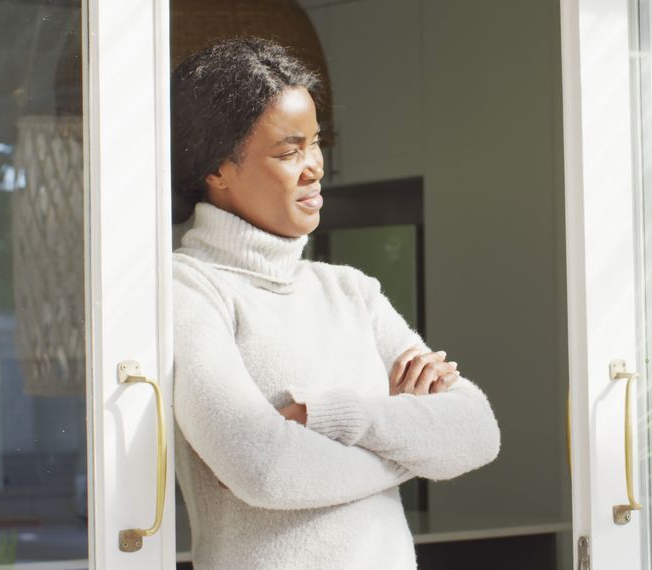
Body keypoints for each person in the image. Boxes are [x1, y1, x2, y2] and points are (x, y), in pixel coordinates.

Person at [169, 37, 501, 569]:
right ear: (215, 170)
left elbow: (478, 433)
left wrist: (331, 418)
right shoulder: (189, 288)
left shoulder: (351, 290)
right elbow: (262, 469)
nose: (314, 167)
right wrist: (409, 445)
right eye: (288, 150)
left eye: (316, 143)